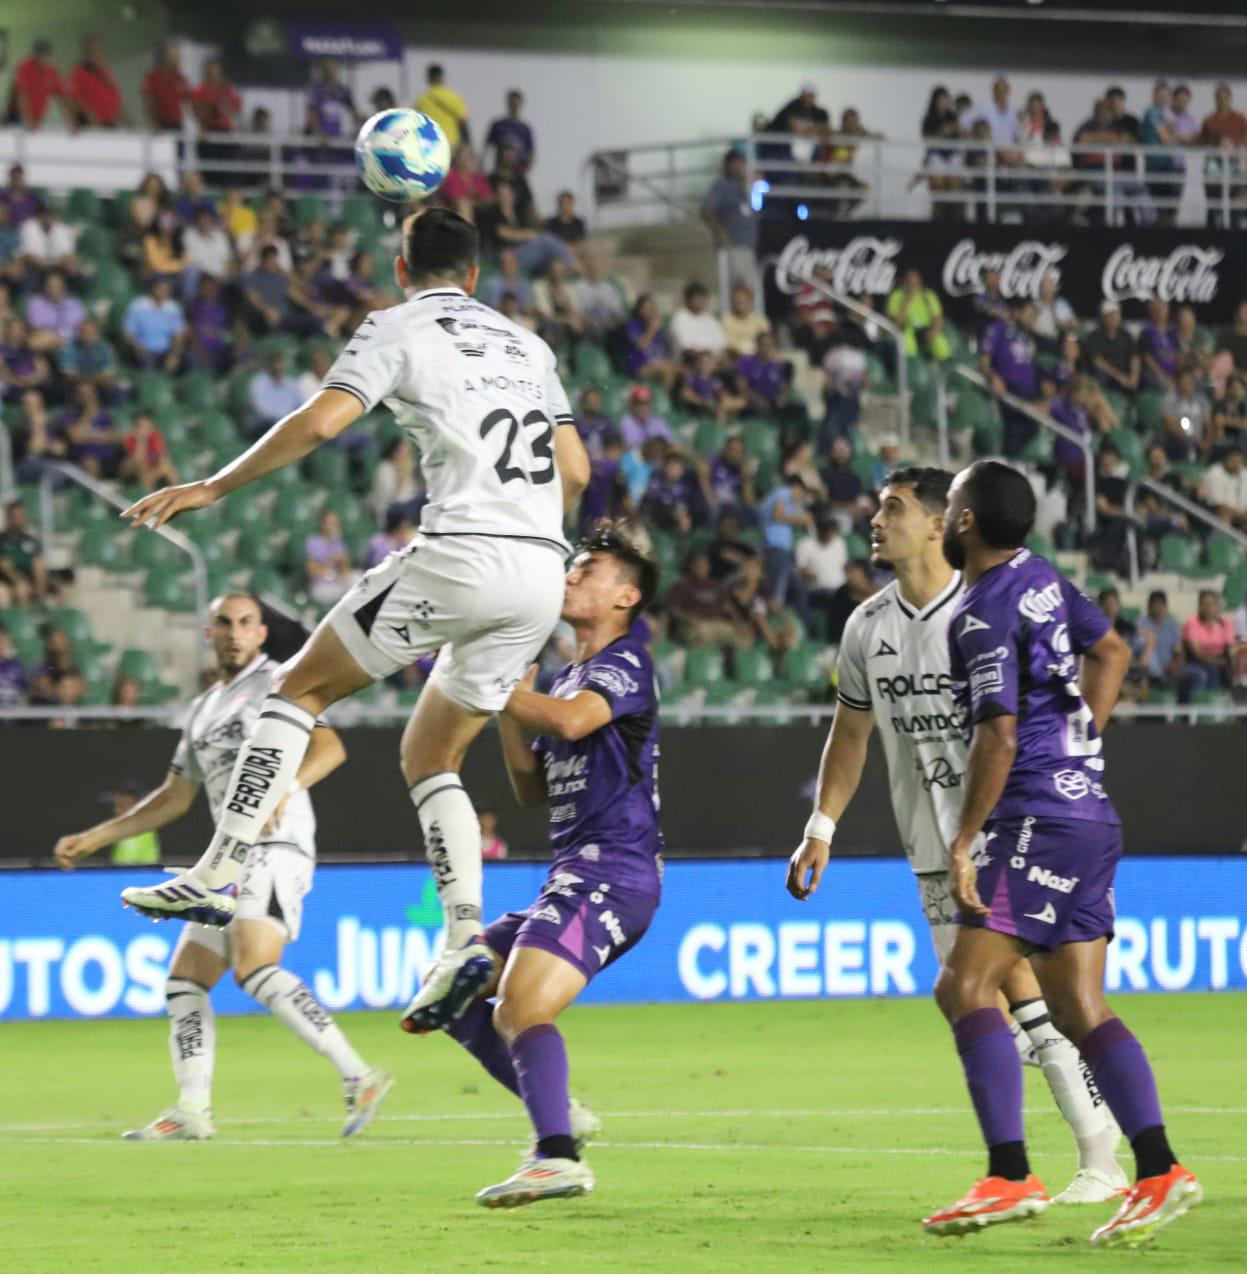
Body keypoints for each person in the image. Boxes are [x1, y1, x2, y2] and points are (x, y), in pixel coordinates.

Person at [116, 210, 591, 1042]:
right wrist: (531, 550)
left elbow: (320, 422)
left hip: (463, 549)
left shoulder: (395, 326)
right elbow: (576, 471)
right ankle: (461, 941)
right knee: (431, 754)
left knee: (294, 690)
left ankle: (220, 869)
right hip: (540, 569)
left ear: (402, 270)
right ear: (475, 276)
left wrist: (211, 487)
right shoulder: (529, 346)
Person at [786, 464, 1124, 1206]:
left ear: (942, 523)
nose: (876, 520)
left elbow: (1086, 670)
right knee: (1006, 1009)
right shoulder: (866, 625)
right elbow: (850, 734)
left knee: (1013, 1000)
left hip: (1007, 834)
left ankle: (1072, 1163)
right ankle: (1088, 1159)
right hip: (933, 848)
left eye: (893, 508)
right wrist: (820, 827)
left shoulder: (982, 610)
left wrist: (1074, 751)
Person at [921, 460, 1198, 1246]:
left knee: (964, 986)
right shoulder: (1041, 577)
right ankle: (1158, 1170)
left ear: (964, 520)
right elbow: (1110, 651)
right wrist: (1080, 749)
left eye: (947, 506)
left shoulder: (978, 611)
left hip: (1036, 817)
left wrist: (963, 839)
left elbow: (998, 734)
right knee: (1077, 1007)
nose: (941, 519)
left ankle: (1008, 1173)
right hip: (1087, 814)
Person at [53, 592, 392, 1140]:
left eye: (246, 623)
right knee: (184, 980)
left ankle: (360, 1076)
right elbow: (173, 797)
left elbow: (330, 749)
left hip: (276, 845)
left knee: (254, 966)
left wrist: (288, 787)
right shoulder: (203, 709)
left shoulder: (282, 682)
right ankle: (192, 1109)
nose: (235, 632)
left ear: (261, 633)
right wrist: (95, 837)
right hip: (226, 861)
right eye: (224, 623)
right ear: (208, 634)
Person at [437, 523, 660, 1207]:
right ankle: (561, 1115)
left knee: (521, 1006)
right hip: (569, 875)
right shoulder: (567, 679)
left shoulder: (627, 661)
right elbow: (531, 789)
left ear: (625, 596)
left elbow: (569, 722)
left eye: (587, 568)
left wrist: (491, 686)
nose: (570, 574)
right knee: (450, 993)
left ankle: (556, 1156)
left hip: (612, 874)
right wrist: (512, 708)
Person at [701, 150, 759, 299]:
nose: (740, 167)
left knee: (749, 289)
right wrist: (719, 231)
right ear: (729, 165)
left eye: (742, 164)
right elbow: (706, 210)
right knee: (735, 287)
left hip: (749, 245)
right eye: (736, 164)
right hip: (733, 245)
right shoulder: (722, 185)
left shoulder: (746, 186)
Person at [123, 277, 187, 372]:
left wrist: (174, 355)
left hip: (166, 351)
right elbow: (128, 334)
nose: (164, 292)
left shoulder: (173, 308)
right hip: (144, 350)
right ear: (153, 289)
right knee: (146, 363)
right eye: (161, 288)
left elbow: (179, 336)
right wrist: (136, 346)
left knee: (187, 360)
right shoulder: (138, 306)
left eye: (167, 289)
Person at [1181, 589, 1235, 695]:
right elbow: (1197, 654)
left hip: (1221, 663)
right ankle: (1209, 700)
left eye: (1212, 604)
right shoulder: (1192, 623)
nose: (1208, 608)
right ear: (1199, 607)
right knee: (1212, 669)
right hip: (1195, 663)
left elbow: (1229, 649)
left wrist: (1231, 662)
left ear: (1217, 606)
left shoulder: (1225, 624)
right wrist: (1219, 661)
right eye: (1205, 604)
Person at [8, 38, 68, 130]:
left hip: (38, 118)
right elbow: (22, 95)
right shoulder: (25, 67)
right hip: (19, 116)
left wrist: (71, 121)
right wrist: (29, 120)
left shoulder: (52, 71)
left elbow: (63, 98)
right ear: (35, 56)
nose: (45, 59)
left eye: (47, 56)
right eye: (41, 56)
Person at [68, 36, 126, 129]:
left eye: (99, 50)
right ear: (85, 54)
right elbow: (74, 102)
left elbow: (118, 103)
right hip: (92, 127)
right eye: (92, 51)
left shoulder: (107, 73)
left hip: (110, 125)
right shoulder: (78, 73)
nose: (96, 54)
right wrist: (92, 123)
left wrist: (130, 126)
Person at [0, 500, 48, 606]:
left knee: (62, 585)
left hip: (30, 581)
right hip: (8, 582)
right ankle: (22, 616)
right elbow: (5, 566)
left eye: (22, 516)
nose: (19, 519)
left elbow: (39, 564)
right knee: (21, 589)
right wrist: (20, 581)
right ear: (8, 518)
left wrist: (39, 585)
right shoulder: (2, 541)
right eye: (16, 516)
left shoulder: (31, 540)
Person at [248, 351, 305, 438]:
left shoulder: (291, 384)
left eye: (280, 363)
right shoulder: (258, 382)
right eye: (275, 363)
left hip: (287, 424)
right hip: (264, 424)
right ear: (269, 365)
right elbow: (260, 409)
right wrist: (280, 418)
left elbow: (300, 406)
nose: (277, 366)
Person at [416, 63, 470, 148]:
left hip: (429, 142)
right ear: (441, 77)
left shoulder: (421, 99)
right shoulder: (453, 97)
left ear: (428, 78)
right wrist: (467, 143)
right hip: (450, 141)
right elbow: (463, 121)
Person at [669, 282, 726, 358]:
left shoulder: (711, 320)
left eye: (703, 298)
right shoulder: (680, 318)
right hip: (690, 361)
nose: (700, 301)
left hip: (714, 360)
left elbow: (721, 346)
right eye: (697, 298)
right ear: (688, 300)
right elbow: (687, 349)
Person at [142, 40, 188, 132]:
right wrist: (154, 123)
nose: (177, 59)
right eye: (173, 55)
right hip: (161, 125)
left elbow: (187, 102)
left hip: (178, 125)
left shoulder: (181, 78)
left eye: (178, 55)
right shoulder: (153, 76)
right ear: (165, 57)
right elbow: (149, 102)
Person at [485, 90, 535, 173]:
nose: (514, 107)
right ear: (508, 104)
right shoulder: (498, 125)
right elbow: (487, 149)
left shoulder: (525, 129)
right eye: (512, 104)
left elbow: (531, 153)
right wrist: (484, 168)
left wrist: (526, 170)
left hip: (518, 173)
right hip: (499, 171)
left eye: (517, 104)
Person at [1200, 445, 1247, 529]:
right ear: (1226, 458)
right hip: (1217, 516)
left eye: (1239, 460)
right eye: (1232, 458)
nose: (1235, 462)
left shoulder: (1243, 473)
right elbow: (1219, 506)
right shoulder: (1215, 473)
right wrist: (1242, 515)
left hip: (1240, 518)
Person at [720, 281, 770, 357]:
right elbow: (727, 345)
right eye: (736, 301)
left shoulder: (759, 320)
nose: (739, 303)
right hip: (734, 357)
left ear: (749, 301)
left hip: (757, 357)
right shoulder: (726, 321)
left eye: (742, 300)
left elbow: (767, 341)